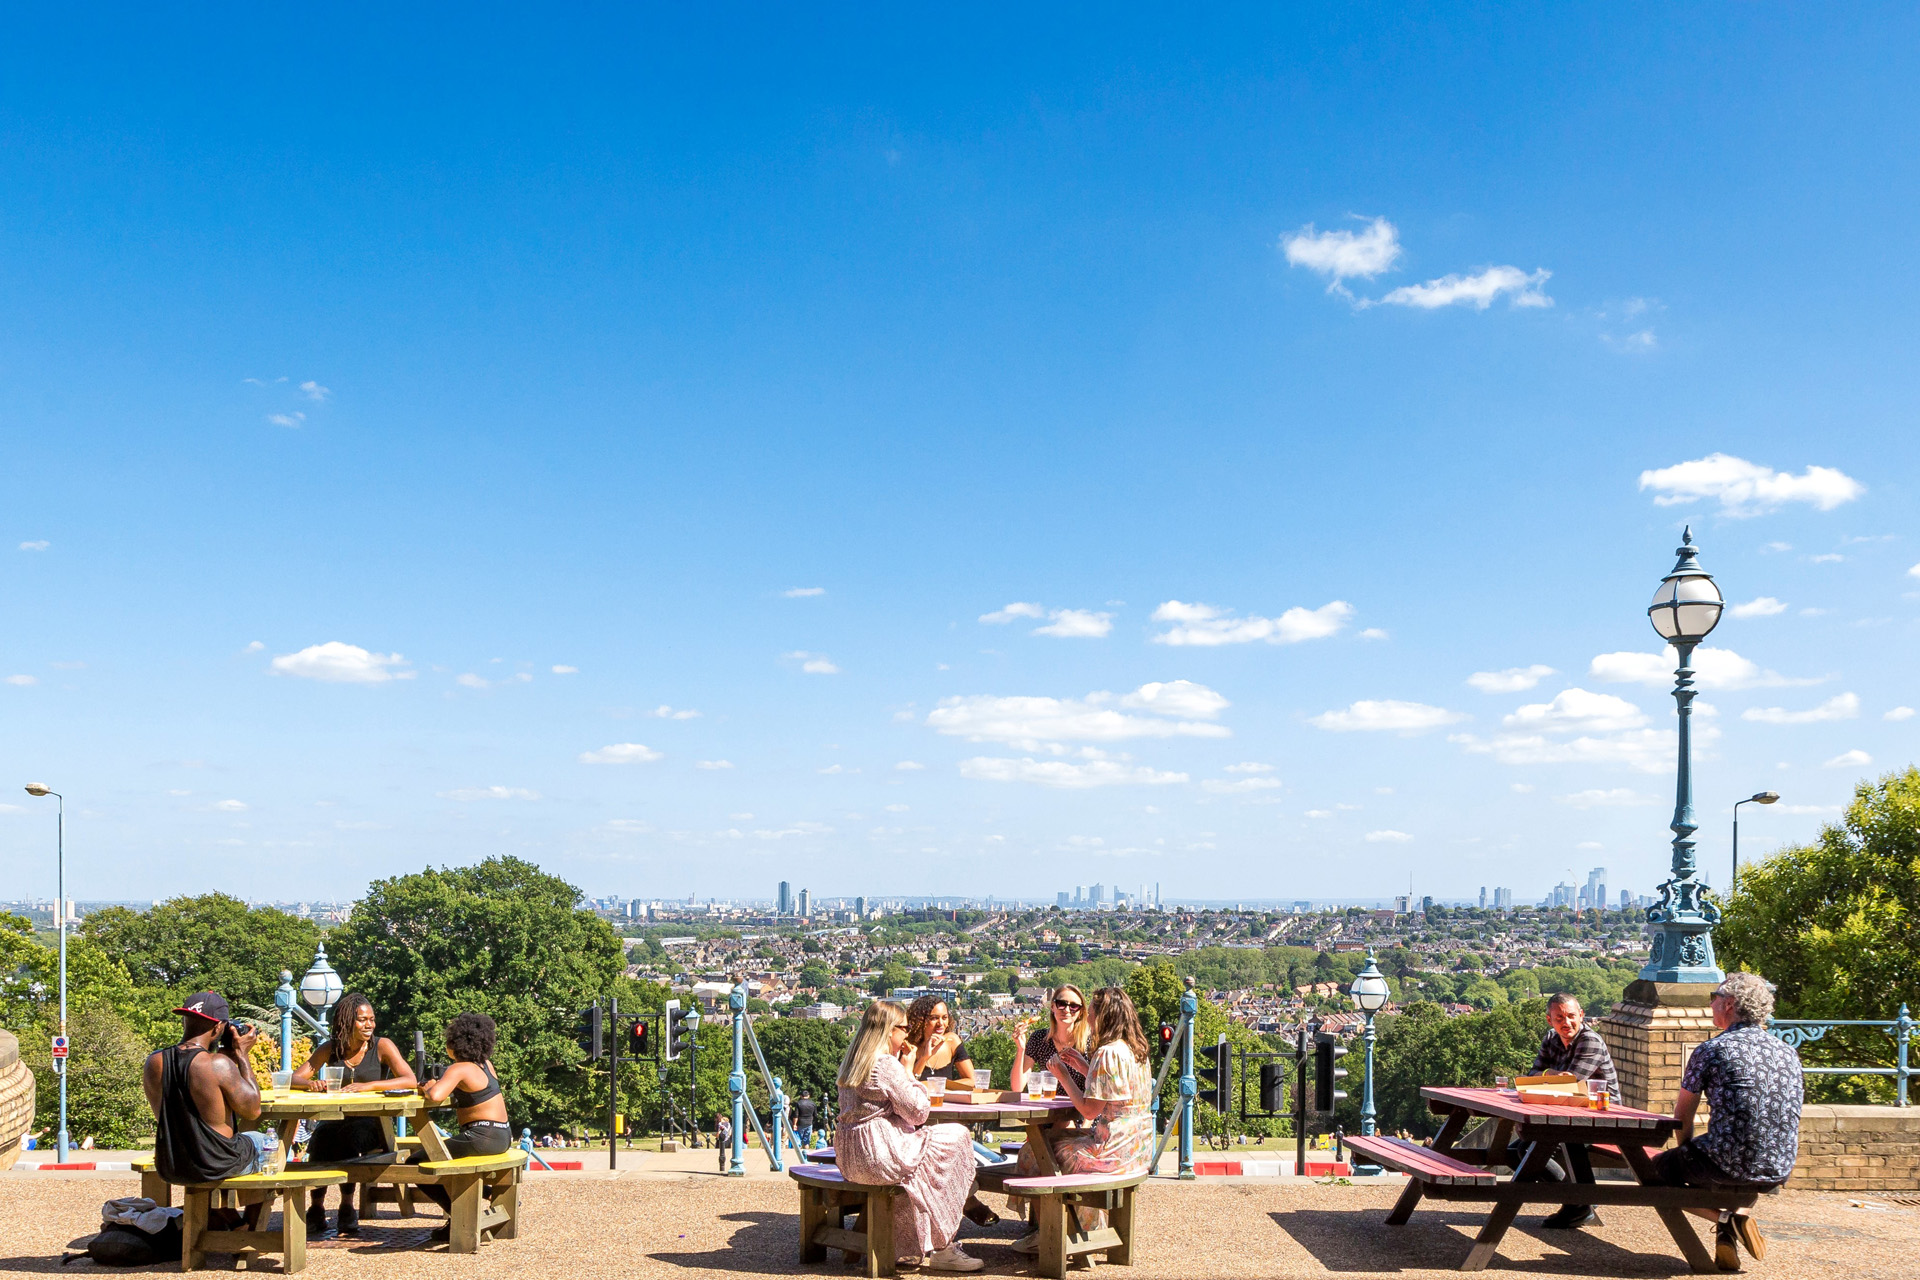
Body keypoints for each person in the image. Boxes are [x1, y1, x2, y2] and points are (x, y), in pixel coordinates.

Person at [1653, 971, 1803, 1271]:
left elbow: (1682, 1116)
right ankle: (1727, 1238)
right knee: (1739, 1172)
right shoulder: (1789, 1052)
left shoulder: (1711, 1050)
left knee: (1652, 1173)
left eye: (1714, 998)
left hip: (1726, 1162)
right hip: (1779, 1167)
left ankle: (1728, 1219)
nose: (1710, 1005)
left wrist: (1686, 1152)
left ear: (1730, 1004)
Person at [834, 1000, 982, 1273]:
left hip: (851, 1159)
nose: (907, 1032)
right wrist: (909, 1068)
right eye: (903, 1027)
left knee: (918, 1172)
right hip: (880, 1155)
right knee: (957, 1138)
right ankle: (944, 1244)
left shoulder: (854, 1059)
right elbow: (918, 1112)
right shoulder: (886, 1064)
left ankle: (908, 1247)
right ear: (889, 1030)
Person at [1008, 986, 1156, 1253]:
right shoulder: (1135, 1050)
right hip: (1137, 1147)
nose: (1088, 1018)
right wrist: (1083, 1067)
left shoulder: (1106, 1051)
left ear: (1104, 1015)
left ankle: (1052, 1233)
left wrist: (1064, 1075)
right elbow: (1116, 1092)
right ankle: (1068, 1227)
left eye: (1093, 1012)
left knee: (1036, 1150)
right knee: (1051, 1141)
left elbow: (1089, 1111)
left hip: (1108, 1149)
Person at [293, 993, 416, 1238]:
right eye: (362, 1020)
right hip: (336, 1119)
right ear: (347, 1022)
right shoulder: (331, 1048)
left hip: (374, 1124)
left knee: (346, 1137)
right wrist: (311, 1085)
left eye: (371, 1019)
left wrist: (369, 1086)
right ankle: (317, 1208)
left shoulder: (382, 1046)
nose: (369, 1024)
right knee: (321, 1137)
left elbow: (410, 1079)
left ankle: (346, 1205)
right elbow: (295, 1077)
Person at [143, 992, 271, 1194]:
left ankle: (224, 1216)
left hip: (172, 1164)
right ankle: (249, 1223)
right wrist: (242, 1055)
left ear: (185, 1020)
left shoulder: (154, 1061)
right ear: (219, 1027)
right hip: (217, 1165)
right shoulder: (218, 1065)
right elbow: (253, 1110)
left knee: (247, 1141)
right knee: (267, 1143)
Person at [410, 1012, 511, 1241]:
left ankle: (461, 1217)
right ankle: (487, 1194)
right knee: (444, 1158)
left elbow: (435, 1096)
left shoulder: (459, 1068)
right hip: (502, 1134)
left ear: (454, 1044)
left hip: (481, 1136)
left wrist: (428, 1086)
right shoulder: (485, 1064)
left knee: (415, 1162)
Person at [1524, 993, 1621, 1230]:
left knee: (1540, 1147)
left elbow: (1571, 1083)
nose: (1566, 1023)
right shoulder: (1551, 1039)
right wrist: (1551, 1076)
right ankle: (1579, 1201)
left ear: (1581, 1016)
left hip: (1604, 1117)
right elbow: (1531, 1076)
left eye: (1571, 1016)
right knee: (1521, 1148)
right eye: (1559, 1018)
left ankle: (1578, 1202)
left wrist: (1547, 1077)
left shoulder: (1591, 1041)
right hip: (1567, 1115)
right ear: (1550, 1020)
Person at [1011, 984, 1089, 1095]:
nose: (1067, 1010)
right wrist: (1020, 1049)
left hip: (1081, 1110)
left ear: (1080, 1012)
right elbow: (1017, 1087)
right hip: (1049, 1109)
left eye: (1074, 1006)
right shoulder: (1039, 1039)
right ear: (1053, 1007)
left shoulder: (1090, 1042)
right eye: (1061, 1004)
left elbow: (1100, 1084)